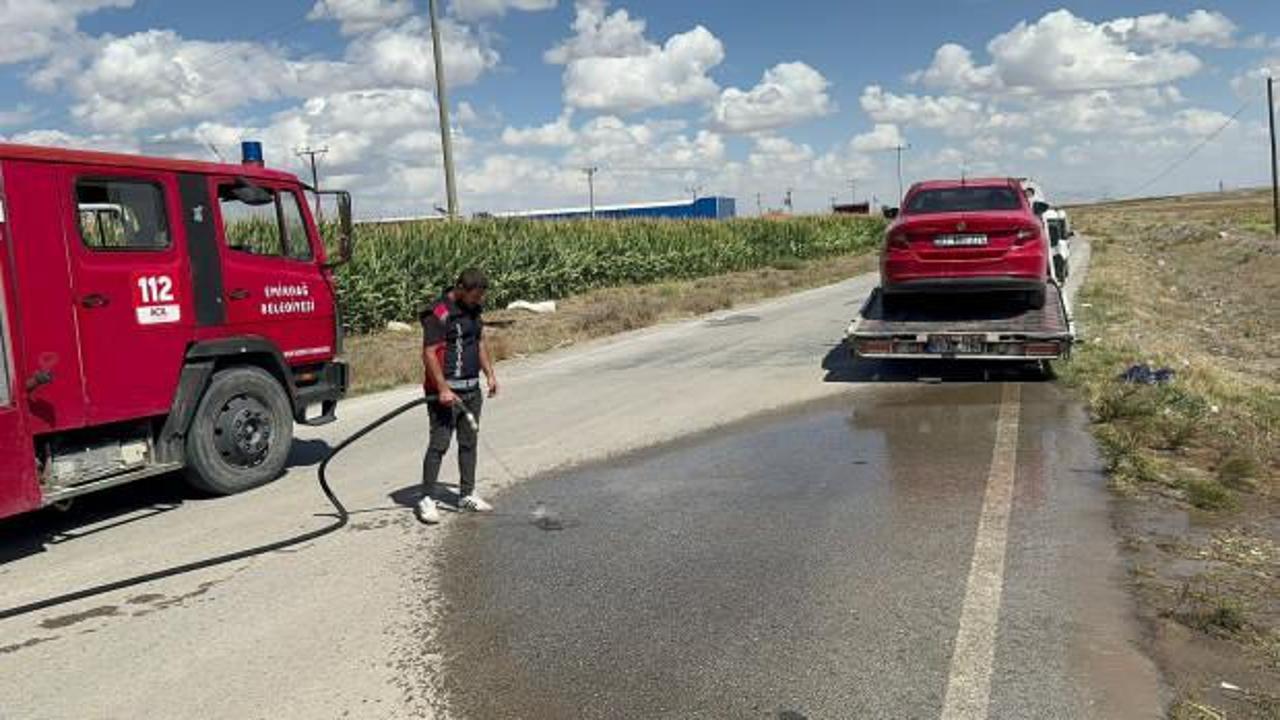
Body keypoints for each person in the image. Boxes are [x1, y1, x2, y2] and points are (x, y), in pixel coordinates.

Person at [416, 268, 499, 524]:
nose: (478, 301)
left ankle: (466, 494)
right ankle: (427, 499)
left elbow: (480, 342)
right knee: (439, 444)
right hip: (446, 394)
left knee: (468, 443)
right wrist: (442, 388)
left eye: (480, 297)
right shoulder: (439, 312)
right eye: (475, 296)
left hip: (472, 390)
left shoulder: (474, 309)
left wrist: (490, 375)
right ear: (460, 289)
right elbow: (429, 353)